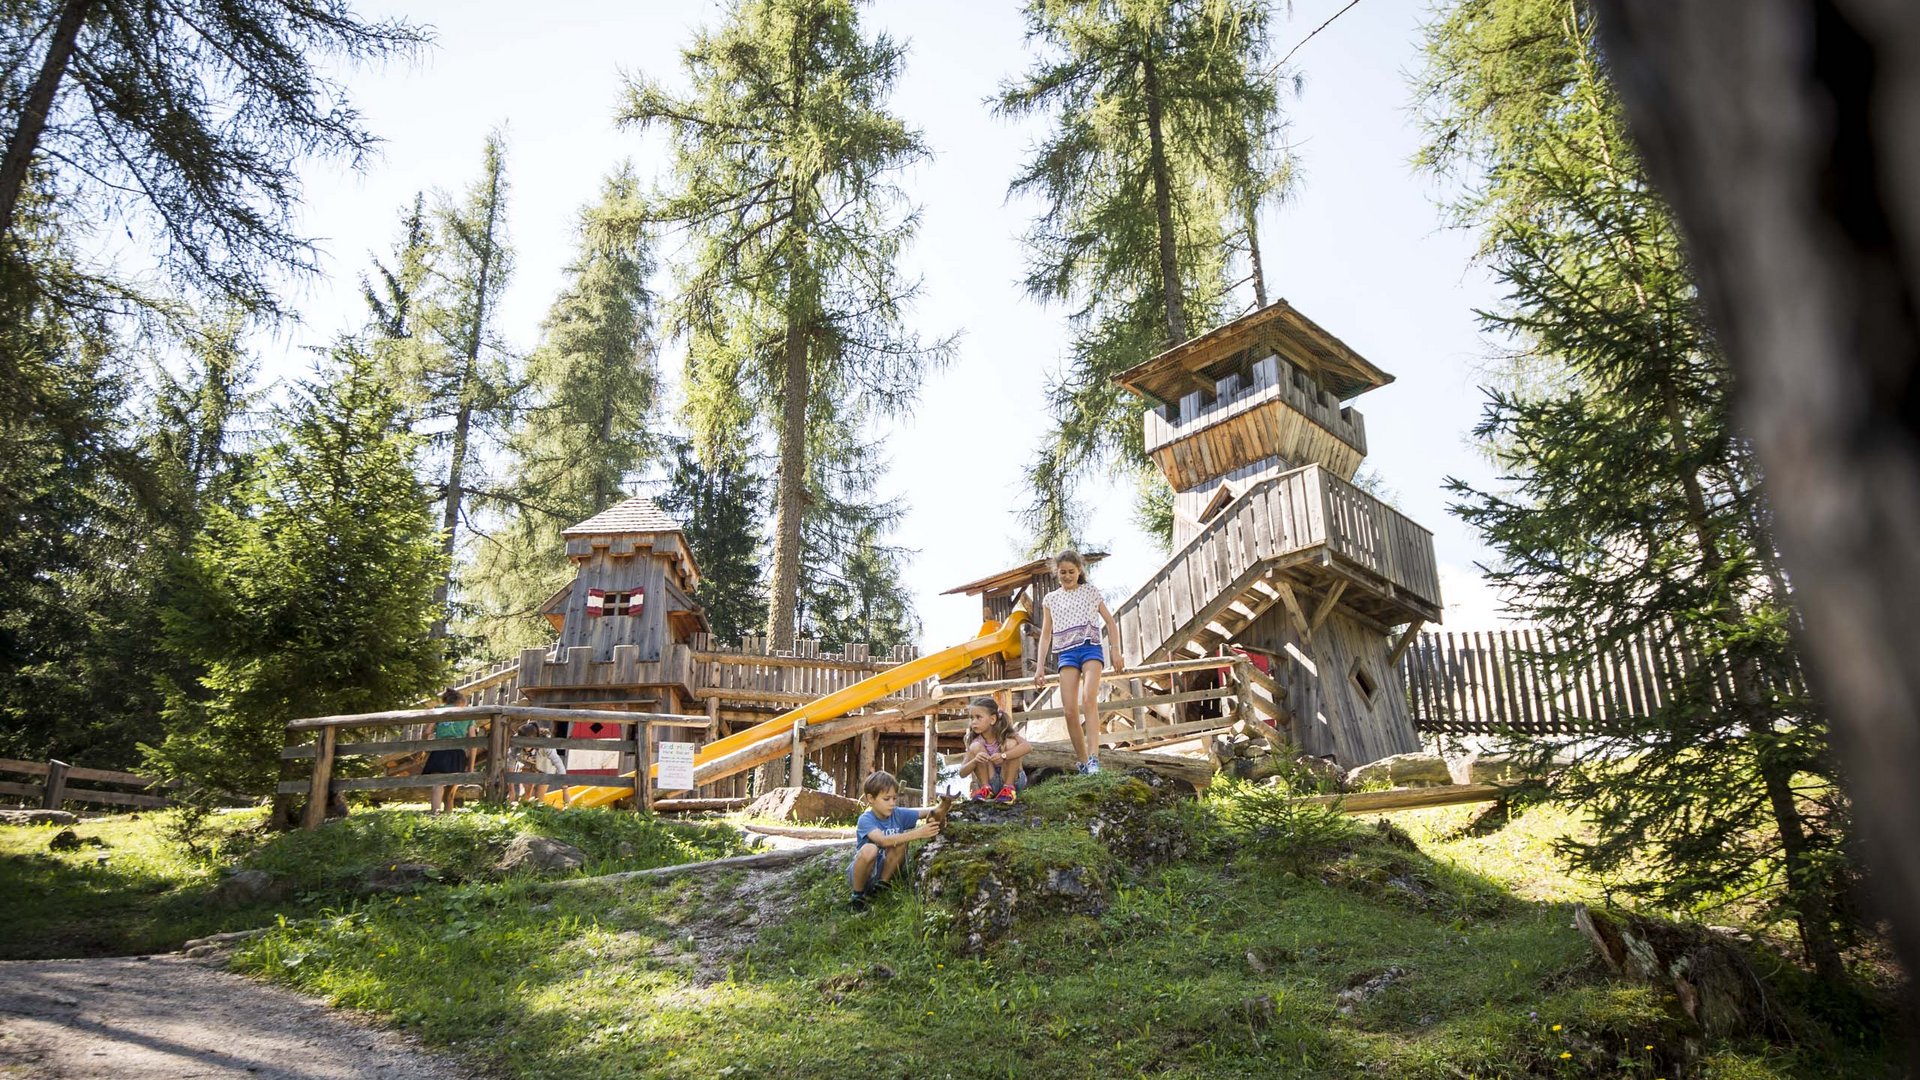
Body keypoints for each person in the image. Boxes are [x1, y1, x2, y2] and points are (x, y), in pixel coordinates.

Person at [1032, 549, 1125, 775]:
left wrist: (1116, 652)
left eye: (1071, 571)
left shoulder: (1090, 592)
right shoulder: (1051, 600)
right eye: (1062, 572)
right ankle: (1082, 761)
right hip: (1066, 653)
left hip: (1090, 648)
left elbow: (1111, 623)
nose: (1067, 576)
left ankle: (1094, 758)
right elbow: (1046, 634)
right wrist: (1039, 667)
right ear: (1057, 573)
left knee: (1088, 700)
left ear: (1079, 570)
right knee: (1070, 711)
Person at [848, 770, 941, 911]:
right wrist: (919, 833)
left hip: (886, 869)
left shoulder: (897, 813)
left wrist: (944, 806)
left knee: (900, 841)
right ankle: (857, 896)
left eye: (894, 798)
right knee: (870, 849)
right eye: (886, 799)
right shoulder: (866, 819)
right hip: (863, 873)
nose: (892, 803)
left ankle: (882, 886)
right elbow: (883, 841)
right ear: (871, 799)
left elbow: (926, 811)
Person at [958, 696, 1029, 803]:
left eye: (978, 717)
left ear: (992, 719)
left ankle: (1009, 789)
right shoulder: (975, 742)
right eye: (972, 718)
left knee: (1011, 744)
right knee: (975, 747)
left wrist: (1003, 756)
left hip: (1014, 780)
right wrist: (975, 761)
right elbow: (962, 773)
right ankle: (986, 790)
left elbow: (1027, 747)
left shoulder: (1006, 734)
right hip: (992, 783)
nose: (973, 722)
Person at [422, 687, 471, 814]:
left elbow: (427, 731)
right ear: (461, 702)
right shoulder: (469, 714)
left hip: (439, 751)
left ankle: (434, 813)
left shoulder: (438, 710)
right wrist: (470, 765)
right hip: (457, 753)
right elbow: (473, 740)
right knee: (451, 788)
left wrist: (423, 750)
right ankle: (448, 815)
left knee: (437, 784)